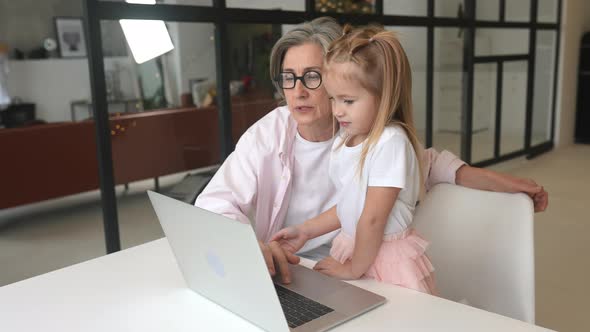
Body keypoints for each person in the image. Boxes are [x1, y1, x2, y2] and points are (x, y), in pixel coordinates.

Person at [194, 17, 548, 284]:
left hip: (354, 265)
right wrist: (249, 244)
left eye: (312, 77)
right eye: (289, 78)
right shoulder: (270, 132)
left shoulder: (366, 133)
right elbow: (214, 202)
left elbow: (430, 163)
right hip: (293, 269)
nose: (298, 92)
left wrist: (512, 184)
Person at [271, 25, 436, 294]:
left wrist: (353, 269)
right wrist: (305, 230)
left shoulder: (390, 142)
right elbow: (350, 204)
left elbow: (372, 219)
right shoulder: (345, 140)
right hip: (358, 249)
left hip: (385, 260)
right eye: (334, 98)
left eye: (348, 100)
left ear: (383, 97)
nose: (337, 111)